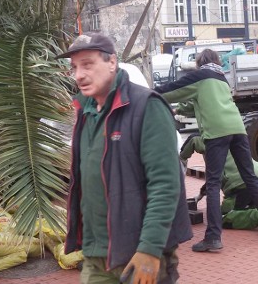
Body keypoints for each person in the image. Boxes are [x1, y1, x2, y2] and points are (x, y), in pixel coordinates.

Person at [59, 32, 192, 284]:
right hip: (97, 253)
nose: (79, 75)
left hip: (139, 254)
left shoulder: (147, 106)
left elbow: (165, 184)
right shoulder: (86, 112)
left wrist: (150, 249)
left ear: (112, 62)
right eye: (74, 67)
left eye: (87, 64)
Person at [154, 49, 258, 252]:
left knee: (213, 184)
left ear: (199, 63)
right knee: (249, 177)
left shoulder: (200, 76)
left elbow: (172, 90)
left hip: (217, 132)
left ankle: (213, 237)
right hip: (238, 129)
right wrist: (179, 110)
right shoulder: (221, 78)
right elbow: (197, 103)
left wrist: (150, 93)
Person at [179, 134, 258, 231]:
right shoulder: (232, 137)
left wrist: (182, 158)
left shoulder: (211, 141)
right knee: (245, 205)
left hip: (241, 184)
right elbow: (213, 180)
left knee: (221, 217)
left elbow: (193, 140)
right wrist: (199, 196)